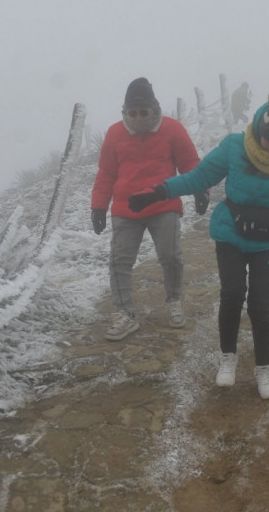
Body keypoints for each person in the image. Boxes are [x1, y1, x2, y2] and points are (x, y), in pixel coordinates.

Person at [129, 84, 269, 399]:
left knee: (261, 304)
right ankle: (228, 359)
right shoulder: (234, 147)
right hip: (230, 234)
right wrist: (159, 191)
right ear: (259, 128)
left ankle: (263, 368)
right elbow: (199, 177)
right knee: (233, 293)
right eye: (267, 138)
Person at [91, 77, 210, 341]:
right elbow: (106, 173)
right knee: (119, 261)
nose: (138, 117)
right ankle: (125, 314)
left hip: (163, 202)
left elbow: (189, 162)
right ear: (124, 112)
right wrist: (98, 207)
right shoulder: (114, 133)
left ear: (154, 109)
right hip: (125, 208)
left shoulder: (172, 129)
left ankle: (173, 300)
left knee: (170, 256)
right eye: (131, 112)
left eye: (143, 111)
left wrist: (201, 188)